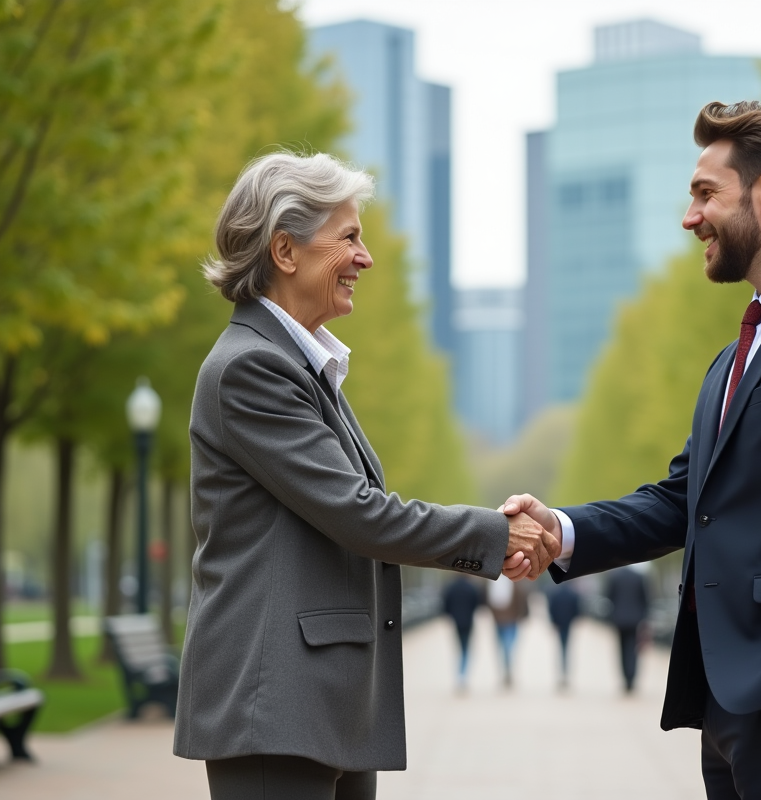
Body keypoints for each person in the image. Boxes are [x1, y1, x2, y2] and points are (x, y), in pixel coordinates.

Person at [503, 101, 761, 799]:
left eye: (706, 194)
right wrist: (563, 530)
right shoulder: (734, 355)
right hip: (732, 704)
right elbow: (683, 501)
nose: (690, 216)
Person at [174, 151, 559, 800]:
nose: (366, 256)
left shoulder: (296, 365)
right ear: (286, 252)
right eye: (349, 237)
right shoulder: (253, 368)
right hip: (277, 704)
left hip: (319, 700)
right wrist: (499, 535)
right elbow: (360, 514)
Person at [606, 565, 650, 694]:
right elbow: (645, 599)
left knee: (622, 649)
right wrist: (644, 617)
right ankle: (631, 678)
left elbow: (609, 597)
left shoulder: (614, 577)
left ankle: (625, 678)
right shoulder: (639, 577)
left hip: (619, 618)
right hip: (635, 619)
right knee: (632, 649)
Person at [441, 576, 484, 693]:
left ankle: (460, 675)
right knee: (465, 649)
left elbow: (446, 605)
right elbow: (477, 603)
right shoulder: (471, 587)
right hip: (468, 622)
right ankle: (463, 675)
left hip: (456, 622)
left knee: (459, 648)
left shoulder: (451, 587)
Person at [487, 574, 529, 688]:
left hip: (499, 620)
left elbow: (489, 602)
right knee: (508, 647)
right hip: (511, 620)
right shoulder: (514, 584)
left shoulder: (493, 584)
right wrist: (523, 614)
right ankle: (508, 669)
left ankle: (506, 670)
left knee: (503, 647)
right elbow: (522, 599)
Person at [546, 581, 580, 689]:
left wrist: (553, 622)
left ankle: (562, 673)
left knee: (561, 649)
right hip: (568, 624)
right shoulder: (573, 593)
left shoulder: (555, 593)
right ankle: (565, 673)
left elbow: (551, 609)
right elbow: (577, 610)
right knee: (566, 649)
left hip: (559, 624)